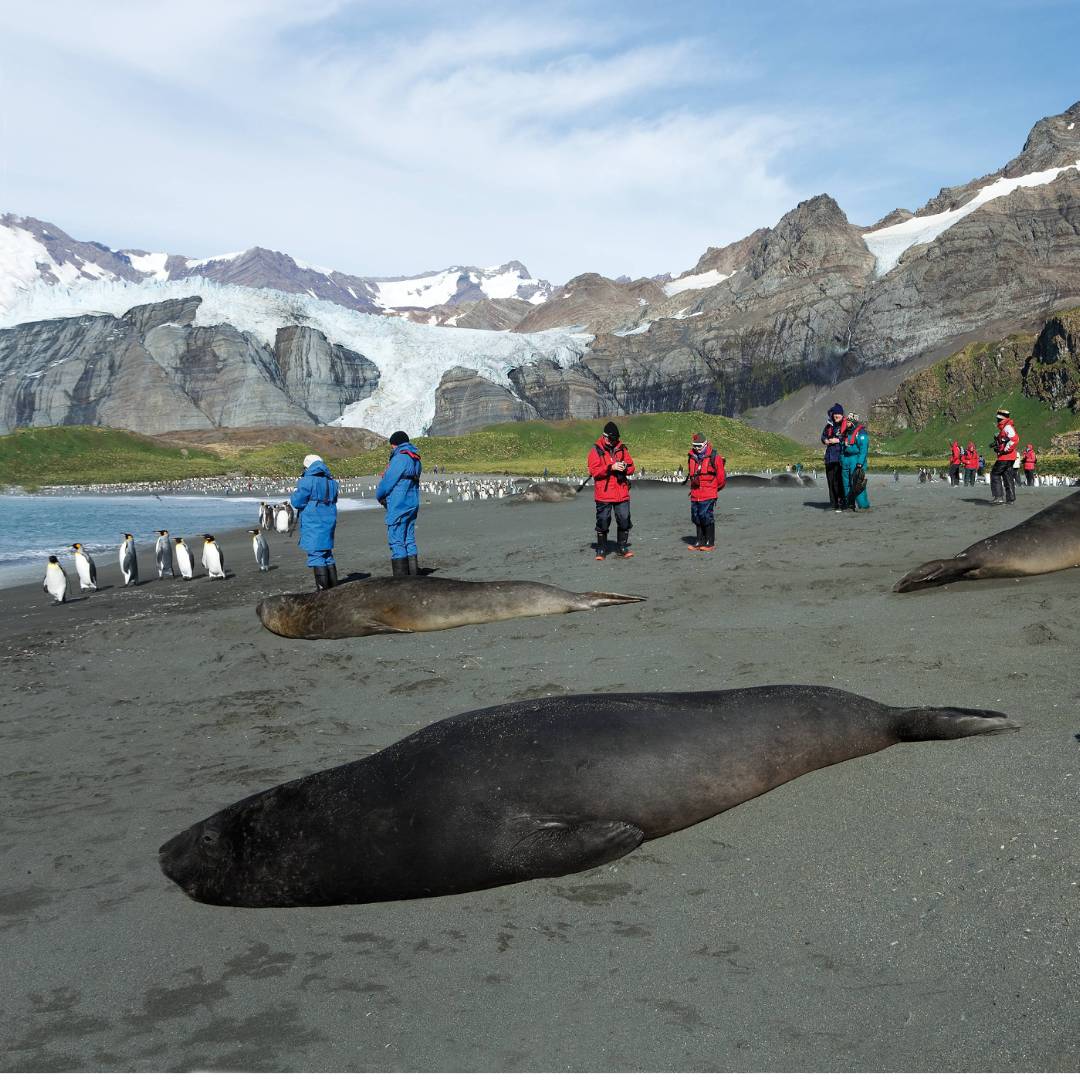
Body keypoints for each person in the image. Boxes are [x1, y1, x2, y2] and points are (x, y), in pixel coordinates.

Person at [375, 430, 423, 575]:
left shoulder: (400, 459)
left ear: (395, 444)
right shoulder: (416, 459)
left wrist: (379, 496)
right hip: (412, 503)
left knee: (396, 540)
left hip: (398, 504)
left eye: (392, 445)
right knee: (409, 539)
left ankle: (401, 581)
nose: (392, 448)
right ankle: (414, 577)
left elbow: (387, 482)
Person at [290, 453, 340, 590]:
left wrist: (295, 493)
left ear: (307, 466)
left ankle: (323, 592)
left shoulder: (307, 481)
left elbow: (297, 501)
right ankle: (335, 589)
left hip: (314, 521)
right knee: (327, 554)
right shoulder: (332, 482)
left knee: (316, 555)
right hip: (329, 520)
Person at [588, 421, 635, 559]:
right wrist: (611, 467)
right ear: (606, 437)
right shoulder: (596, 450)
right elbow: (594, 471)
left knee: (624, 519)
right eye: (613, 439)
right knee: (603, 521)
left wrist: (625, 467)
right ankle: (601, 549)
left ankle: (622, 547)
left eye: (616, 439)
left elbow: (632, 467)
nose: (615, 442)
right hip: (604, 493)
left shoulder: (622, 448)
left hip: (621, 491)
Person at [684, 432, 725, 552]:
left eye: (699, 445)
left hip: (708, 493)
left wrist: (714, 490)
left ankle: (709, 541)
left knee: (706, 516)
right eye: (694, 445)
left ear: (705, 444)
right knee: (696, 517)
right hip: (695, 493)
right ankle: (699, 540)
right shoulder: (691, 457)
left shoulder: (714, 457)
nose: (696, 448)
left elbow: (721, 478)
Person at [820, 403, 849, 512]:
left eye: (838, 414)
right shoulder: (829, 425)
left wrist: (838, 440)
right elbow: (823, 436)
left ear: (842, 415)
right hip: (829, 458)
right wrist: (825, 440)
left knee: (839, 481)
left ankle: (842, 502)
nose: (836, 415)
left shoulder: (846, 425)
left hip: (839, 457)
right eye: (835, 413)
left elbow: (849, 438)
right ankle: (833, 503)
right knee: (830, 481)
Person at [840, 412, 871, 511]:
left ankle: (863, 505)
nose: (846, 423)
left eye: (848, 422)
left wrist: (860, 463)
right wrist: (841, 459)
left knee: (857, 484)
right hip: (846, 459)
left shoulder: (861, 433)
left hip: (856, 460)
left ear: (853, 422)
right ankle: (850, 504)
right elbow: (842, 447)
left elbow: (863, 449)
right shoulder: (845, 433)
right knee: (846, 484)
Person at [989, 408, 1019, 505]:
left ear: (1002, 418)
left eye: (998, 418)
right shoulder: (1006, 427)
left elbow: (1015, 439)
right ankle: (1011, 499)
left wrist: (1004, 449)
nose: (997, 420)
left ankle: (998, 497)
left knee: (995, 474)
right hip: (1010, 457)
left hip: (1005, 457)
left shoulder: (1007, 427)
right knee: (1007, 476)